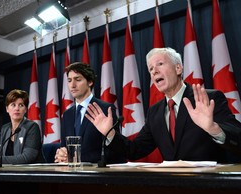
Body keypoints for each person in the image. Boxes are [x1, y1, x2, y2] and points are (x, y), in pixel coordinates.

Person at [85, 47, 241, 163]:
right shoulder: (155, 112)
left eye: (160, 64)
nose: (154, 71)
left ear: (178, 68)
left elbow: (238, 137)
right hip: (171, 192)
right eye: (151, 69)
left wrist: (213, 128)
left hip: (211, 190)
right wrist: (110, 133)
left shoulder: (208, 98)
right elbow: (135, 150)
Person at [54, 62, 126, 164]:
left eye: (78, 80)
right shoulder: (67, 115)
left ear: (90, 82)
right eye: (69, 81)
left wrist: (76, 159)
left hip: (99, 175)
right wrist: (61, 154)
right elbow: (64, 146)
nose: (72, 85)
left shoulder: (105, 109)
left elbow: (114, 151)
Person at [0, 89, 43, 164]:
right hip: (9, 171)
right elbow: (1, 155)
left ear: (25, 109)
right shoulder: (5, 128)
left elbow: (27, 157)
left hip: (30, 173)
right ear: (7, 109)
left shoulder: (32, 127)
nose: (17, 108)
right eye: (13, 105)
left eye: (21, 105)